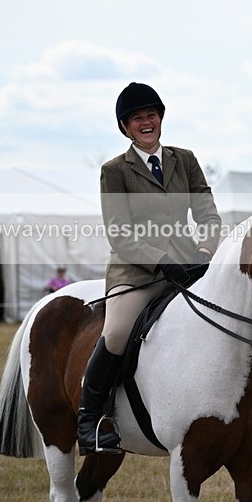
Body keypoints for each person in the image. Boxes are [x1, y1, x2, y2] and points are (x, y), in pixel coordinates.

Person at [78, 82, 222, 455]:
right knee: (117, 332)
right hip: (138, 270)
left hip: (189, 264)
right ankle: (91, 419)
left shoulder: (184, 159)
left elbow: (206, 211)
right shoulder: (114, 171)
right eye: (137, 117)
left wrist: (205, 250)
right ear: (126, 127)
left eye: (151, 115)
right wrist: (160, 261)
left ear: (160, 119)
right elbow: (119, 233)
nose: (146, 122)